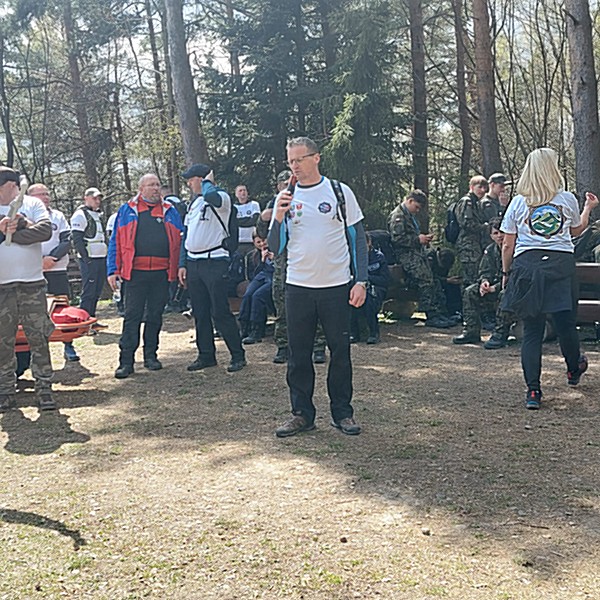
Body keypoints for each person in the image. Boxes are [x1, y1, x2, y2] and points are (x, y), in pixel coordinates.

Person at [268, 136, 368, 437]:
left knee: (340, 352)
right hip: (298, 286)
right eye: (290, 161)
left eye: (300, 159)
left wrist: (361, 280)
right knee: (298, 355)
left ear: (316, 158)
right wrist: (278, 216)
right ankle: (302, 414)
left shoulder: (339, 192)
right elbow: (275, 247)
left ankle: (342, 413)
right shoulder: (286, 196)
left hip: (336, 286)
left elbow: (358, 240)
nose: (295, 166)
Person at [500, 147, 599, 410]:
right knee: (565, 324)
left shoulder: (518, 202)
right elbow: (576, 230)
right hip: (560, 266)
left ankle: (533, 391)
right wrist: (588, 208)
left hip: (527, 266)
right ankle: (573, 368)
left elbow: (507, 244)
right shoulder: (565, 199)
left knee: (532, 331)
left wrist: (506, 273)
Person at [107, 174, 183, 378]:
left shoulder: (170, 211)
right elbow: (115, 241)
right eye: (151, 185)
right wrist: (112, 269)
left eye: (157, 184)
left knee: (155, 315)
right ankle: (126, 362)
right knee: (132, 316)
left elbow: (181, 241)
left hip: (161, 273)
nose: (156, 188)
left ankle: (151, 356)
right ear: (141, 189)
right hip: (135, 274)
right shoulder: (127, 210)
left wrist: (180, 268)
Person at [179, 164, 246, 373]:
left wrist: (208, 182)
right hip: (194, 263)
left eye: (192, 179)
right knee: (200, 311)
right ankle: (206, 355)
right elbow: (187, 234)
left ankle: (237, 355)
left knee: (220, 311)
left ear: (202, 179)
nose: (189, 184)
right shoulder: (194, 204)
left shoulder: (221, 198)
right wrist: (182, 263)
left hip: (214, 262)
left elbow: (212, 197)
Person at [257, 170, 327, 364]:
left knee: (314, 305)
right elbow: (262, 234)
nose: (287, 185)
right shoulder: (275, 203)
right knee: (282, 305)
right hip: (283, 263)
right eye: (283, 183)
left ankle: (318, 346)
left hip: (308, 261)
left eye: (289, 181)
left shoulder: (309, 199)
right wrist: (264, 218)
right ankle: (283, 346)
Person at [0, 167, 56, 411]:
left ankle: (44, 388)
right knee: (3, 341)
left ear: (12, 185)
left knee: (38, 337)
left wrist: (17, 228)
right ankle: (5, 391)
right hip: (2, 287)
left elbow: (44, 231)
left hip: (31, 284)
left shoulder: (32, 204)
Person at [28, 183, 79, 361]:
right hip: (32, 271)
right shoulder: (24, 215)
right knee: (34, 310)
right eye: (41, 194)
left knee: (63, 308)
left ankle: (68, 345)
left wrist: (52, 258)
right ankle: (34, 350)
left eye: (47, 194)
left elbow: (66, 240)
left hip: (56, 269)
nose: (46, 197)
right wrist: (39, 261)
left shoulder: (57, 216)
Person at [388, 190, 453, 328]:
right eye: (416, 207)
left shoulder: (409, 216)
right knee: (425, 279)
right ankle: (431, 314)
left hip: (416, 253)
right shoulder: (398, 216)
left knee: (433, 279)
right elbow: (397, 239)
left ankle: (440, 312)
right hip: (405, 256)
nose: (417, 210)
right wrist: (418, 240)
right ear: (410, 201)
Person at [452, 217, 514, 348]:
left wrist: (495, 288)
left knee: (505, 294)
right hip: (493, 286)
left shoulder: (516, 249)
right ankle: (471, 331)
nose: (499, 236)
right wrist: (484, 282)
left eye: (502, 232)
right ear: (491, 236)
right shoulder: (490, 250)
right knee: (470, 292)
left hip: (512, 289)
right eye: (495, 233)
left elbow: (515, 276)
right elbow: (484, 270)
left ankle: (500, 334)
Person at [70, 187, 108, 321]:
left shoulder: (98, 215)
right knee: (89, 291)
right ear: (86, 198)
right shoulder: (80, 215)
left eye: (99, 199)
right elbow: (77, 239)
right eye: (94, 198)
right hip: (90, 258)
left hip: (101, 257)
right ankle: (84, 320)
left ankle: (92, 318)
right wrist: (86, 258)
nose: (97, 201)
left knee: (97, 290)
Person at [350, 232, 390, 344]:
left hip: (376, 287)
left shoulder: (378, 257)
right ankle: (353, 333)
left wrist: (367, 279)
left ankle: (374, 333)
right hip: (357, 287)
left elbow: (385, 280)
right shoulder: (352, 258)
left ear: (369, 243)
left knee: (369, 298)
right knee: (351, 298)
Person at [238, 231, 275, 344]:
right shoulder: (253, 255)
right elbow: (253, 275)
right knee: (248, 294)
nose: (262, 244)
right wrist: (262, 261)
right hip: (261, 276)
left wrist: (274, 259)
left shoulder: (276, 250)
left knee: (258, 296)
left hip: (274, 276)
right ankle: (244, 327)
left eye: (264, 241)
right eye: (258, 242)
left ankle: (257, 330)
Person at [455, 176, 489, 288]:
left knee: (475, 276)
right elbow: (466, 223)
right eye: (479, 187)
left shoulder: (476, 203)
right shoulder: (467, 202)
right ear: (472, 187)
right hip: (468, 245)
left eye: (485, 188)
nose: (482, 190)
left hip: (475, 245)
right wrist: (484, 227)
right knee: (470, 278)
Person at [234, 184, 261, 256]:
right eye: (240, 191)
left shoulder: (254, 204)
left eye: (244, 190)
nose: (243, 192)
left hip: (251, 241)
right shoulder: (234, 207)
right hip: (239, 242)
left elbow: (255, 220)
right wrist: (247, 219)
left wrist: (240, 221)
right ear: (236, 194)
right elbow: (234, 222)